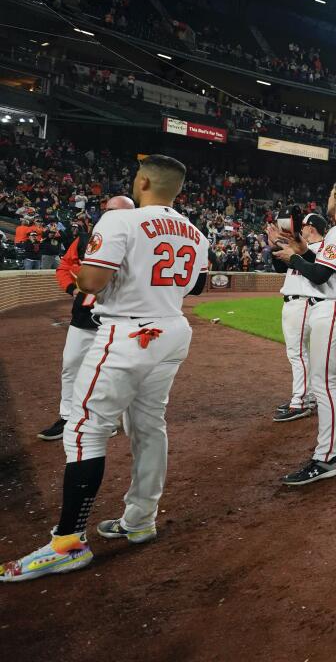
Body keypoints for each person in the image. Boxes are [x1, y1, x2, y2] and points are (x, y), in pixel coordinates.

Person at [3, 155, 209, 582]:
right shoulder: (195, 230)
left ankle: (68, 542)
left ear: (145, 180)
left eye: (137, 175)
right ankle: (140, 519)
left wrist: (83, 276)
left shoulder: (121, 221)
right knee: (150, 424)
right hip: (172, 329)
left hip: (128, 333)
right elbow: (198, 286)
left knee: (84, 428)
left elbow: (92, 284)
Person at [273, 180, 336, 485]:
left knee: (323, 383)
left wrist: (294, 259)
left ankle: (325, 458)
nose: (327, 198)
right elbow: (327, 269)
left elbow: (320, 275)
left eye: (330, 194)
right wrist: (303, 252)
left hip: (333, 308)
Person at [37, 196, 136, 442]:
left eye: (122, 213)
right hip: (84, 315)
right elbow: (63, 268)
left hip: (120, 317)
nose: (115, 217)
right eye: (111, 211)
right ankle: (68, 416)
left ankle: (107, 419)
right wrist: (72, 289)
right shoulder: (83, 240)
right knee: (71, 365)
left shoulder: (139, 243)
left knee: (112, 371)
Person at [266, 212, 327, 423]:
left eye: (303, 226)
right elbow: (281, 267)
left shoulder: (320, 249)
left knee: (298, 354)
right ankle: (307, 396)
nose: (300, 230)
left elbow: (315, 273)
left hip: (302, 302)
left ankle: (300, 401)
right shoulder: (305, 248)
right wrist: (275, 246)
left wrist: (291, 250)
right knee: (302, 354)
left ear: (312, 228)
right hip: (298, 302)